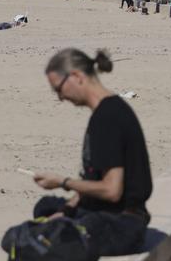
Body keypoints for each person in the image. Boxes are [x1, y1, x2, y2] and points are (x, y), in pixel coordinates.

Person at [28, 49, 152, 257]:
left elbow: (111, 190)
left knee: (30, 242)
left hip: (121, 225)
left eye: (59, 89)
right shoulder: (109, 110)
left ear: (76, 77)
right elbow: (95, 181)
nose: (60, 97)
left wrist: (62, 182)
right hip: (113, 214)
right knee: (46, 208)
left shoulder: (108, 118)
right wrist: (66, 210)